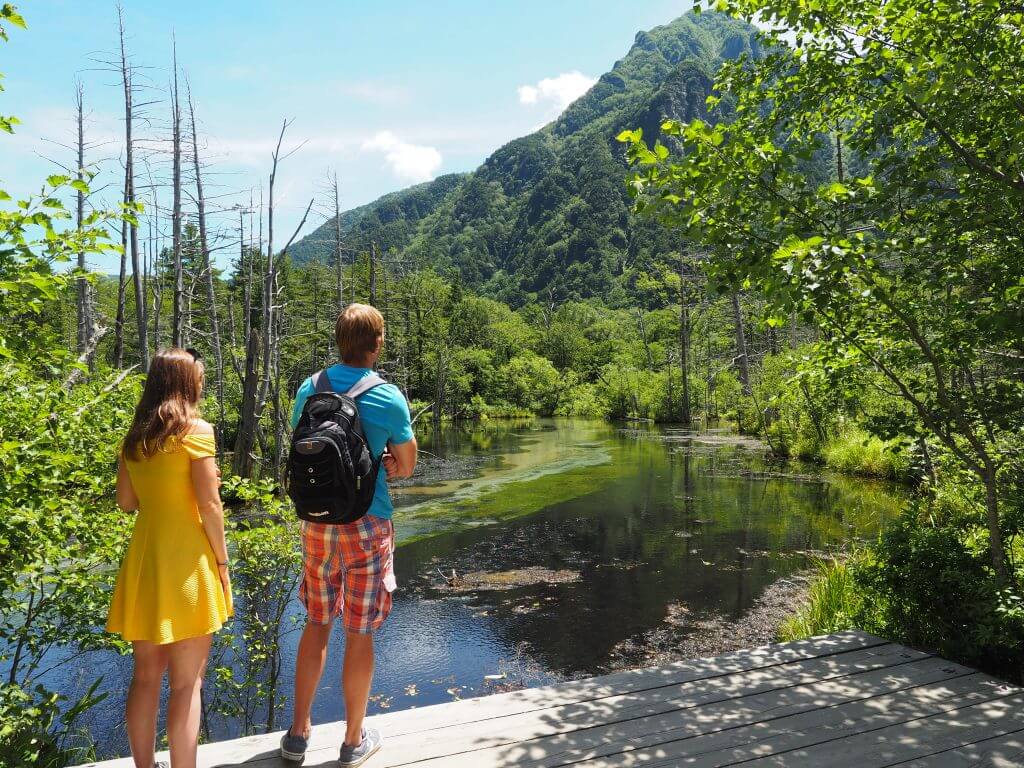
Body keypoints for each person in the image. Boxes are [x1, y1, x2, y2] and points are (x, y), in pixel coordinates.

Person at [281, 303, 417, 767]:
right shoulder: (387, 397)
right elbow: (407, 464)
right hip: (367, 524)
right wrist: (387, 462)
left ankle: (298, 733)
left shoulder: (308, 388)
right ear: (376, 343)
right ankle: (352, 740)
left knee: (317, 622)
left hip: (317, 523)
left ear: (339, 341)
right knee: (358, 631)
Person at [106, 348, 232, 768]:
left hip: (146, 560)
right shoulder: (197, 431)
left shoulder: (136, 437)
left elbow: (126, 503)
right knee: (186, 683)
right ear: (186, 382)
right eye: (198, 375)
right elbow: (211, 506)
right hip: (188, 565)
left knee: (145, 678)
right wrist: (222, 563)